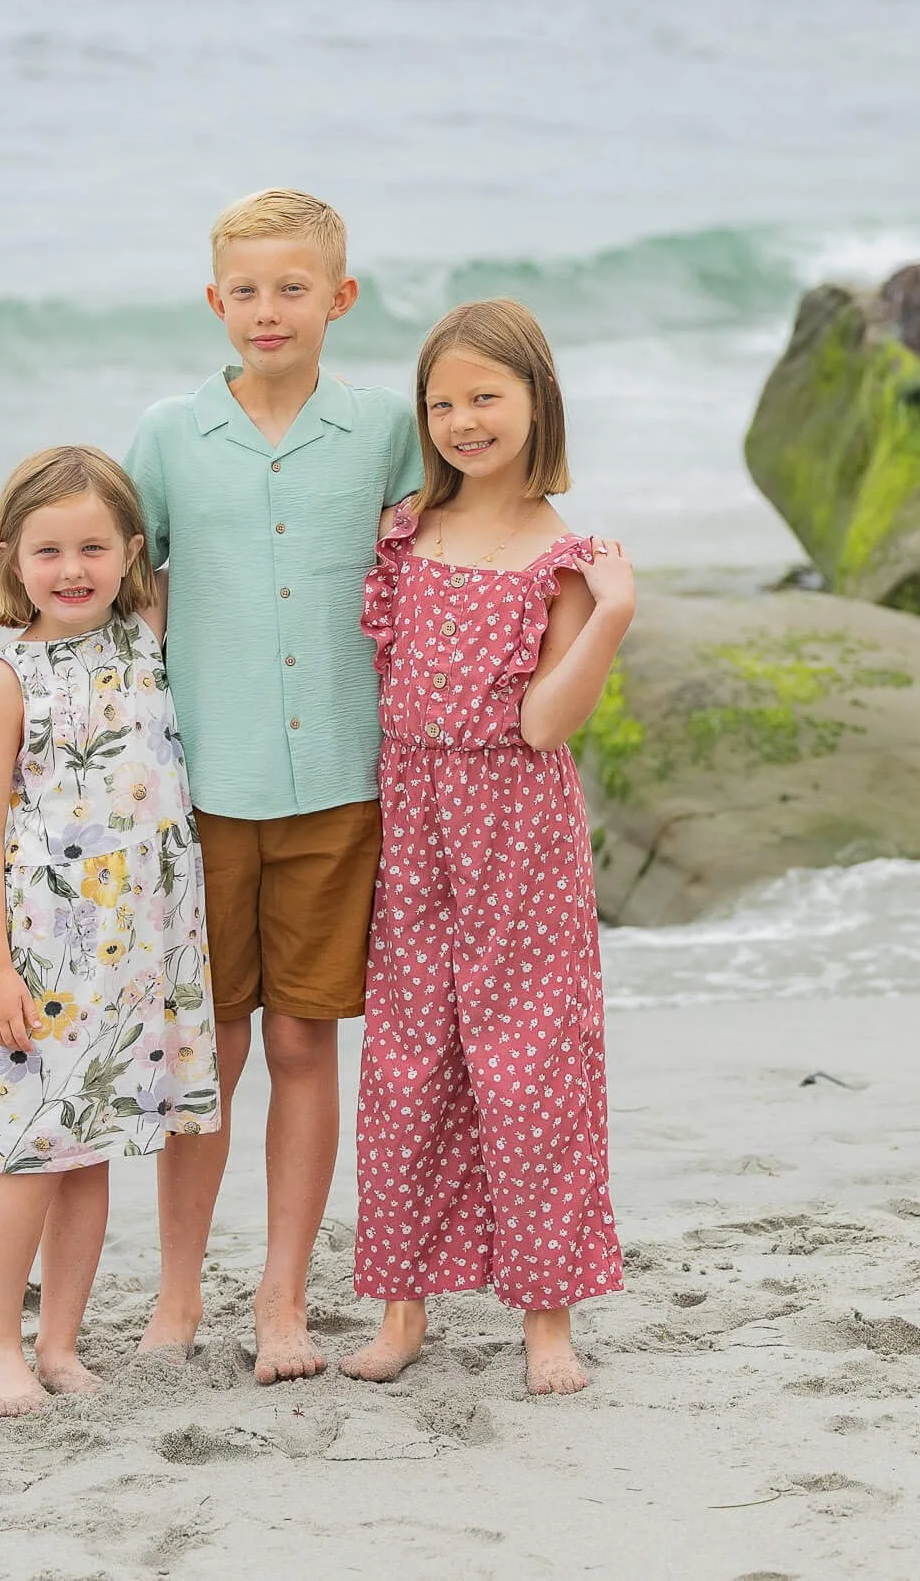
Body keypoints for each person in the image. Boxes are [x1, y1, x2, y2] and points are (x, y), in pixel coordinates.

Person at [0, 189, 422, 1383]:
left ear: (339, 298)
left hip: (336, 791)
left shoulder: (382, 433)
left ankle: (280, 1300)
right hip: (189, 804)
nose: (269, 311)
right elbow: (95, 590)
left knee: (306, 1044)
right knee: (196, 1051)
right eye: (246, 291)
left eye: (293, 288)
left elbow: (440, 570)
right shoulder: (165, 434)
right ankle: (173, 1298)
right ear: (216, 302)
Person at [338, 298, 633, 1397]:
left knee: (528, 1060)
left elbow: (545, 723)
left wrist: (607, 617)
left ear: (535, 401)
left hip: (517, 821)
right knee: (411, 1052)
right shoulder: (405, 528)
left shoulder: (565, 554)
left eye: (486, 397)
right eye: (443, 401)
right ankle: (401, 1300)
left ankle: (545, 1313)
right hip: (411, 811)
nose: (463, 419)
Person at [0, 444, 219, 1417]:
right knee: (30, 1155)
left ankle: (58, 1341)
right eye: (49, 550)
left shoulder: (144, 636)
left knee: (90, 1150)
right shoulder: (5, 679)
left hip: (135, 952)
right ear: (9, 558)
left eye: (94, 547)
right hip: (43, 956)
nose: (72, 569)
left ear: (132, 555)